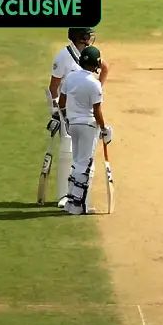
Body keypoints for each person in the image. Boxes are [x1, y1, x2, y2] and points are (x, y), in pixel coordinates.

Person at [47, 27, 109, 208]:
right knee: (74, 156)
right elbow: (53, 89)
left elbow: (104, 67)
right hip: (67, 113)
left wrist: (95, 91)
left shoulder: (89, 55)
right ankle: (68, 197)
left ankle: (74, 197)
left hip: (80, 113)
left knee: (79, 159)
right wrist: (57, 113)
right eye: (88, 34)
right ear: (81, 38)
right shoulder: (63, 57)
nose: (91, 37)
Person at [57, 46, 112, 215]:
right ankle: (78, 206)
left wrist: (67, 118)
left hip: (73, 125)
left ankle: (70, 202)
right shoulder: (94, 84)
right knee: (85, 165)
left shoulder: (70, 78)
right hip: (88, 126)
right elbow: (97, 111)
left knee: (77, 163)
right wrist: (104, 129)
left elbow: (61, 103)